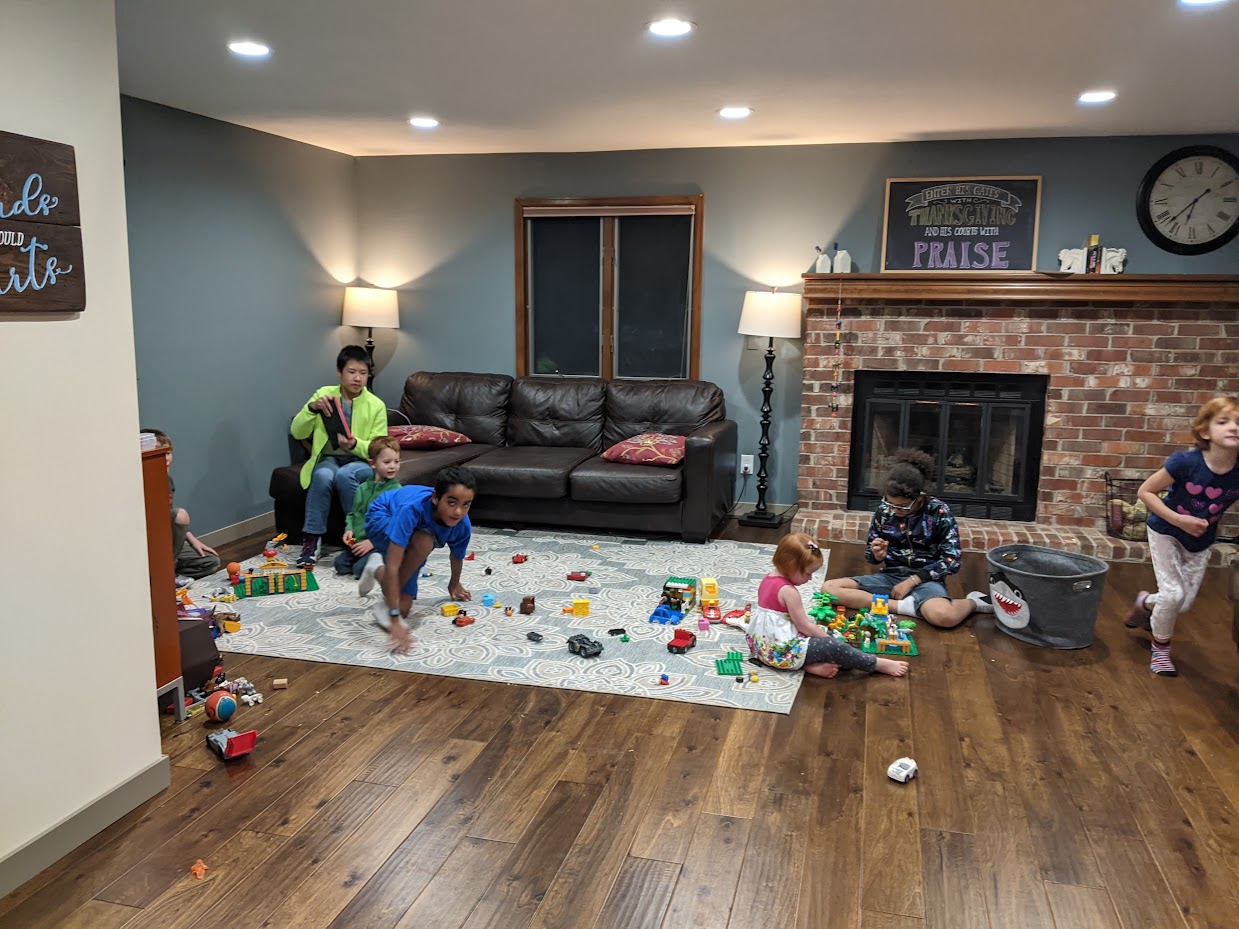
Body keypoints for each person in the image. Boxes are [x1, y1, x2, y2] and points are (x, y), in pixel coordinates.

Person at [1127, 396, 1239, 676]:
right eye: (1223, 422)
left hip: (1200, 541)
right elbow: (1145, 492)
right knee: (1173, 594)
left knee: (1182, 603)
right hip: (1166, 531)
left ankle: (1145, 603)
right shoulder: (1185, 463)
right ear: (1205, 431)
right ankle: (1161, 649)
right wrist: (1178, 520)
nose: (1234, 427)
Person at [821, 448, 991, 629]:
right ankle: (904, 607)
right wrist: (876, 554)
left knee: (944, 616)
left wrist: (913, 581)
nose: (895, 510)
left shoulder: (938, 512)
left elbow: (952, 560)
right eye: (890, 503)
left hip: (926, 580)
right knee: (829, 589)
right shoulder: (884, 511)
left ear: (920, 498)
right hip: (891, 577)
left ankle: (973, 602)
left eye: (903, 506)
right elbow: (871, 554)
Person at [747, 533, 908, 678]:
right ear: (791, 567)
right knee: (833, 645)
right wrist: (831, 640)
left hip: (761, 648)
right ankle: (875, 664)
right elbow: (804, 626)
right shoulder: (788, 592)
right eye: (808, 573)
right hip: (780, 651)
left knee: (828, 634)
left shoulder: (767, 578)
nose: (810, 579)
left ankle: (809, 665)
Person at [289, 345, 388, 567]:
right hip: (329, 459)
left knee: (345, 475)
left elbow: (379, 448)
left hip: (361, 461)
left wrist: (355, 444)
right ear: (339, 372)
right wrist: (312, 409)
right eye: (352, 372)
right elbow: (297, 432)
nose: (357, 378)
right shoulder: (324, 395)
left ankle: (357, 535)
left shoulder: (376, 405)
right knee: (322, 475)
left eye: (363, 373)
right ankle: (312, 540)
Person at [363, 465, 477, 654]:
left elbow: (457, 556)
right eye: (451, 502)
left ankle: (375, 568)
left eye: (466, 504)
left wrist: (454, 583)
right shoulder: (410, 510)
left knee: (404, 609)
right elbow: (393, 564)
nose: (458, 511)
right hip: (382, 515)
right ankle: (384, 584)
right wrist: (393, 618)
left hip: (417, 534)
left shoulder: (462, 526)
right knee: (424, 542)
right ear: (436, 498)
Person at [143, 428, 220, 583]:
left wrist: (192, 540)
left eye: (167, 453)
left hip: (168, 540)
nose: (165, 459)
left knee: (211, 562)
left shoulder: (167, 480)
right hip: (151, 542)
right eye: (159, 454)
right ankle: (165, 575)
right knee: (180, 514)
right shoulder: (145, 482)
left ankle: (171, 569)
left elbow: (169, 513)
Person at [335, 436, 403, 577]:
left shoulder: (396, 491)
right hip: (359, 541)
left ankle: (387, 558)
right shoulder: (362, 488)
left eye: (396, 462)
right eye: (387, 462)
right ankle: (368, 558)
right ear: (372, 463)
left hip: (381, 544)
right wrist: (349, 529)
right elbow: (353, 514)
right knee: (340, 565)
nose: (393, 466)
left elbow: (395, 524)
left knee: (359, 570)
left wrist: (373, 542)